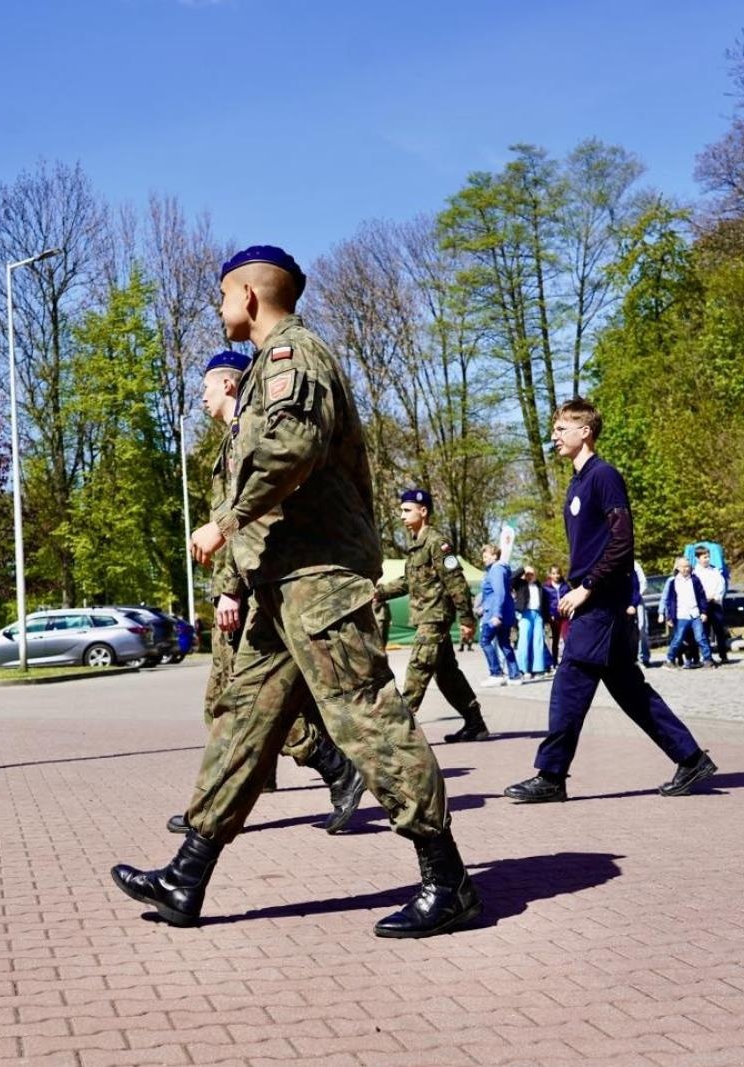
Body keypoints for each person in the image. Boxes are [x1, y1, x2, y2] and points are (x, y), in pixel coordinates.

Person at [112, 245, 480, 938]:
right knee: (243, 724)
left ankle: (448, 878)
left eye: (224, 296)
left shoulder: (293, 357)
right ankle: (187, 875)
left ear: (249, 295)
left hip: (320, 579)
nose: (221, 309)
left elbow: (291, 448)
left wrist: (224, 522)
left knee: (365, 715)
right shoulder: (264, 371)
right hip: (276, 585)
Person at [168, 349, 363, 836]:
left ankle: (335, 767)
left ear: (229, 384)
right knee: (238, 704)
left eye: (207, 386)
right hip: (248, 586)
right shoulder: (236, 438)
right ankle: (217, 813)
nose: (202, 396)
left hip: (254, 588)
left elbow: (255, 520)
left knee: (240, 704)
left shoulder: (252, 433)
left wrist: (231, 590)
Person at [503, 397, 717, 804]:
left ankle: (551, 775)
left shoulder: (604, 476)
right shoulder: (576, 483)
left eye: (562, 428)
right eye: (554, 428)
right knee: (630, 689)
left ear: (586, 431)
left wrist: (587, 588)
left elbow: (622, 542)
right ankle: (690, 758)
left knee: (569, 686)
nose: (555, 435)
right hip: (595, 600)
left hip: (600, 604)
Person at [375, 489, 489, 742]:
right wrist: (379, 592)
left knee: (418, 667)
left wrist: (467, 619)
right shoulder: (417, 545)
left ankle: (399, 735)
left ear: (423, 511)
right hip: (426, 617)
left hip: (435, 618)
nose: (401, 515)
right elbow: (408, 581)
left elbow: (456, 582)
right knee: (447, 674)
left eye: (407, 510)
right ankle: (475, 722)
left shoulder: (437, 542)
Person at [477, 543, 521, 687]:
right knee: (504, 643)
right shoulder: (500, 569)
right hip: (502, 612)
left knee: (485, 641)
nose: (483, 559)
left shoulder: (496, 570)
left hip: (495, 614)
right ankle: (515, 676)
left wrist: (497, 615)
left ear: (494, 556)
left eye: (485, 556)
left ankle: (496, 674)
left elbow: (499, 593)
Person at [662, 557, 716, 670]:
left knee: (701, 637)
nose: (686, 569)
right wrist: (669, 617)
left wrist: (704, 612)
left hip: (695, 614)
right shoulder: (673, 582)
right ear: (678, 568)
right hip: (681, 615)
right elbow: (670, 601)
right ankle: (669, 660)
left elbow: (701, 597)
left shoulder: (695, 580)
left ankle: (708, 660)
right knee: (678, 639)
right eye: (684, 567)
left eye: (688, 566)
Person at [692, 546, 729, 665]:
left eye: (708, 557)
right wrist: (703, 599)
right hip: (703, 606)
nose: (707, 559)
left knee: (720, 631)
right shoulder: (695, 573)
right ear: (698, 558)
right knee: (704, 632)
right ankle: (707, 656)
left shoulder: (715, 570)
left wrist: (716, 596)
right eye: (704, 557)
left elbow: (721, 585)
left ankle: (723, 655)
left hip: (715, 603)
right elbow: (695, 590)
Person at [513, 564, 550, 677]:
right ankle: (522, 668)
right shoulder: (520, 584)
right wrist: (522, 569)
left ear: (535, 575)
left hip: (538, 615)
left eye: (531, 574)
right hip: (525, 614)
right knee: (524, 641)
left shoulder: (540, 586)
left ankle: (538, 668)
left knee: (538, 641)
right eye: (527, 574)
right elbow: (511, 578)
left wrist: (546, 618)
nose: (529, 576)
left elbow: (545, 603)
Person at [544, 565, 568, 666]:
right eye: (553, 573)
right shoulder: (546, 587)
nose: (556, 575)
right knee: (555, 639)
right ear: (550, 574)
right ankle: (554, 662)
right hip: (554, 617)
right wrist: (549, 614)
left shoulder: (565, 586)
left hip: (565, 615)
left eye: (558, 573)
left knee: (567, 637)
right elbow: (545, 603)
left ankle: (568, 660)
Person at [630, 561, 652, 667]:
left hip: (637, 599)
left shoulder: (635, 564)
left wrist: (636, 599)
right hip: (621, 601)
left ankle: (644, 657)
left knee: (642, 627)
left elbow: (643, 582)